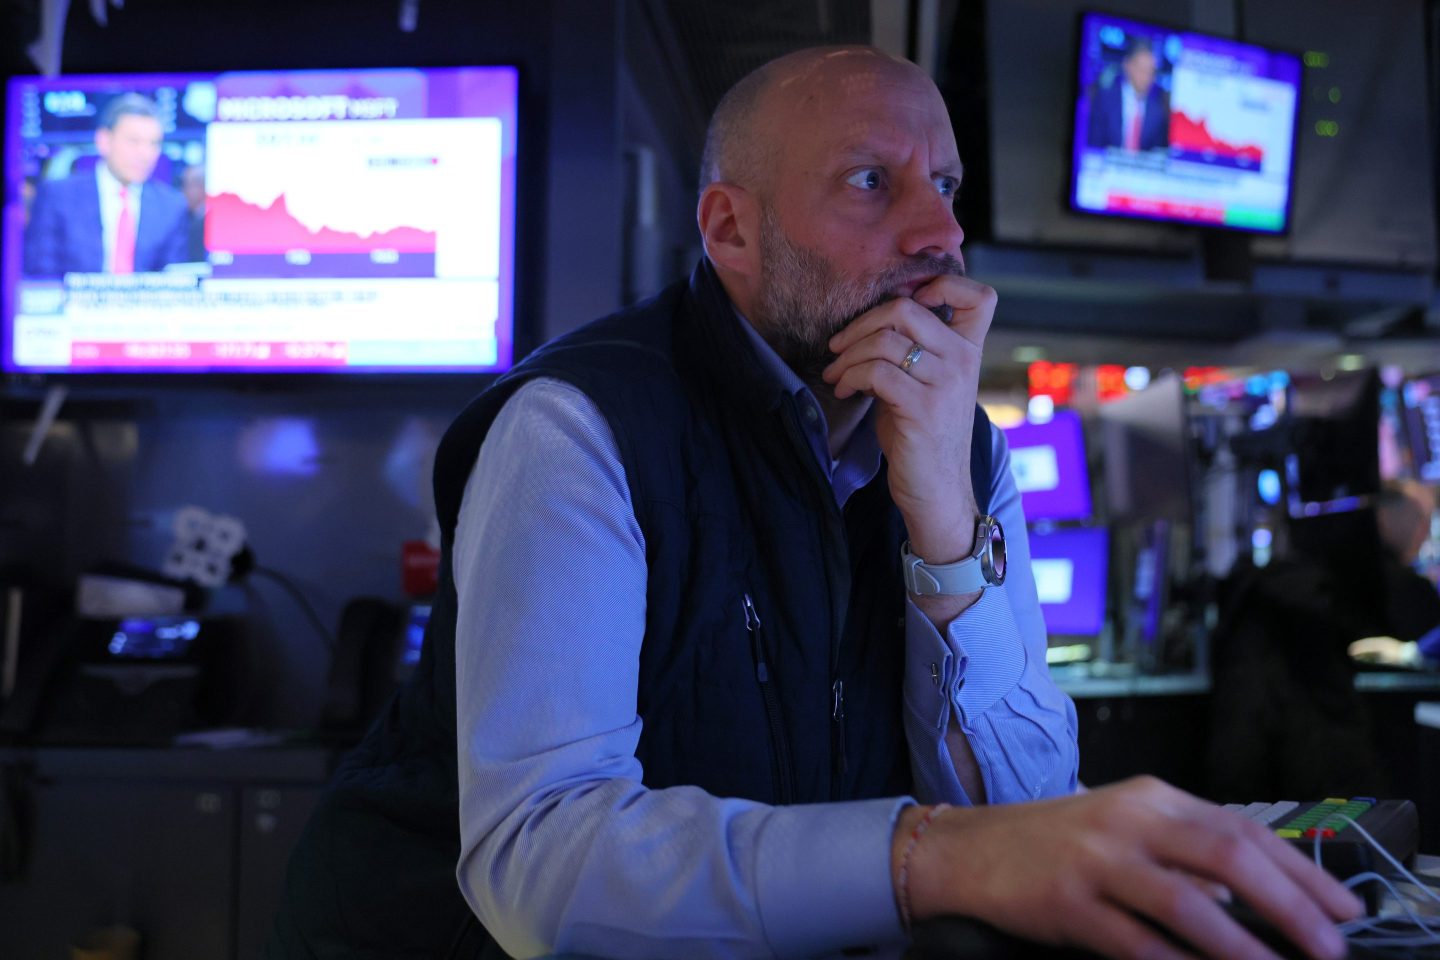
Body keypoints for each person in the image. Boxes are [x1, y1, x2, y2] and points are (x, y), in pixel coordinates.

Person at [271, 46, 1359, 960]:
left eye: (947, 183)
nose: (941, 233)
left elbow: (1025, 809)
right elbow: (539, 866)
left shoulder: (959, 450)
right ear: (730, 230)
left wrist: (938, 505)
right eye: (871, 182)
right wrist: (929, 856)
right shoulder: (580, 426)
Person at [22, 93, 191, 277]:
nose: (146, 154)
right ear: (104, 141)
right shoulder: (58, 197)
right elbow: (41, 277)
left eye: (154, 143)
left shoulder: (171, 206)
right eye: (134, 141)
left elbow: (174, 281)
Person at [1087, 36, 1171, 153]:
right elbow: (1093, 145)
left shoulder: (1157, 112)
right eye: (1142, 70)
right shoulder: (1104, 100)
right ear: (1128, 66)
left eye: (1151, 72)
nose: (1147, 78)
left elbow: (1157, 154)